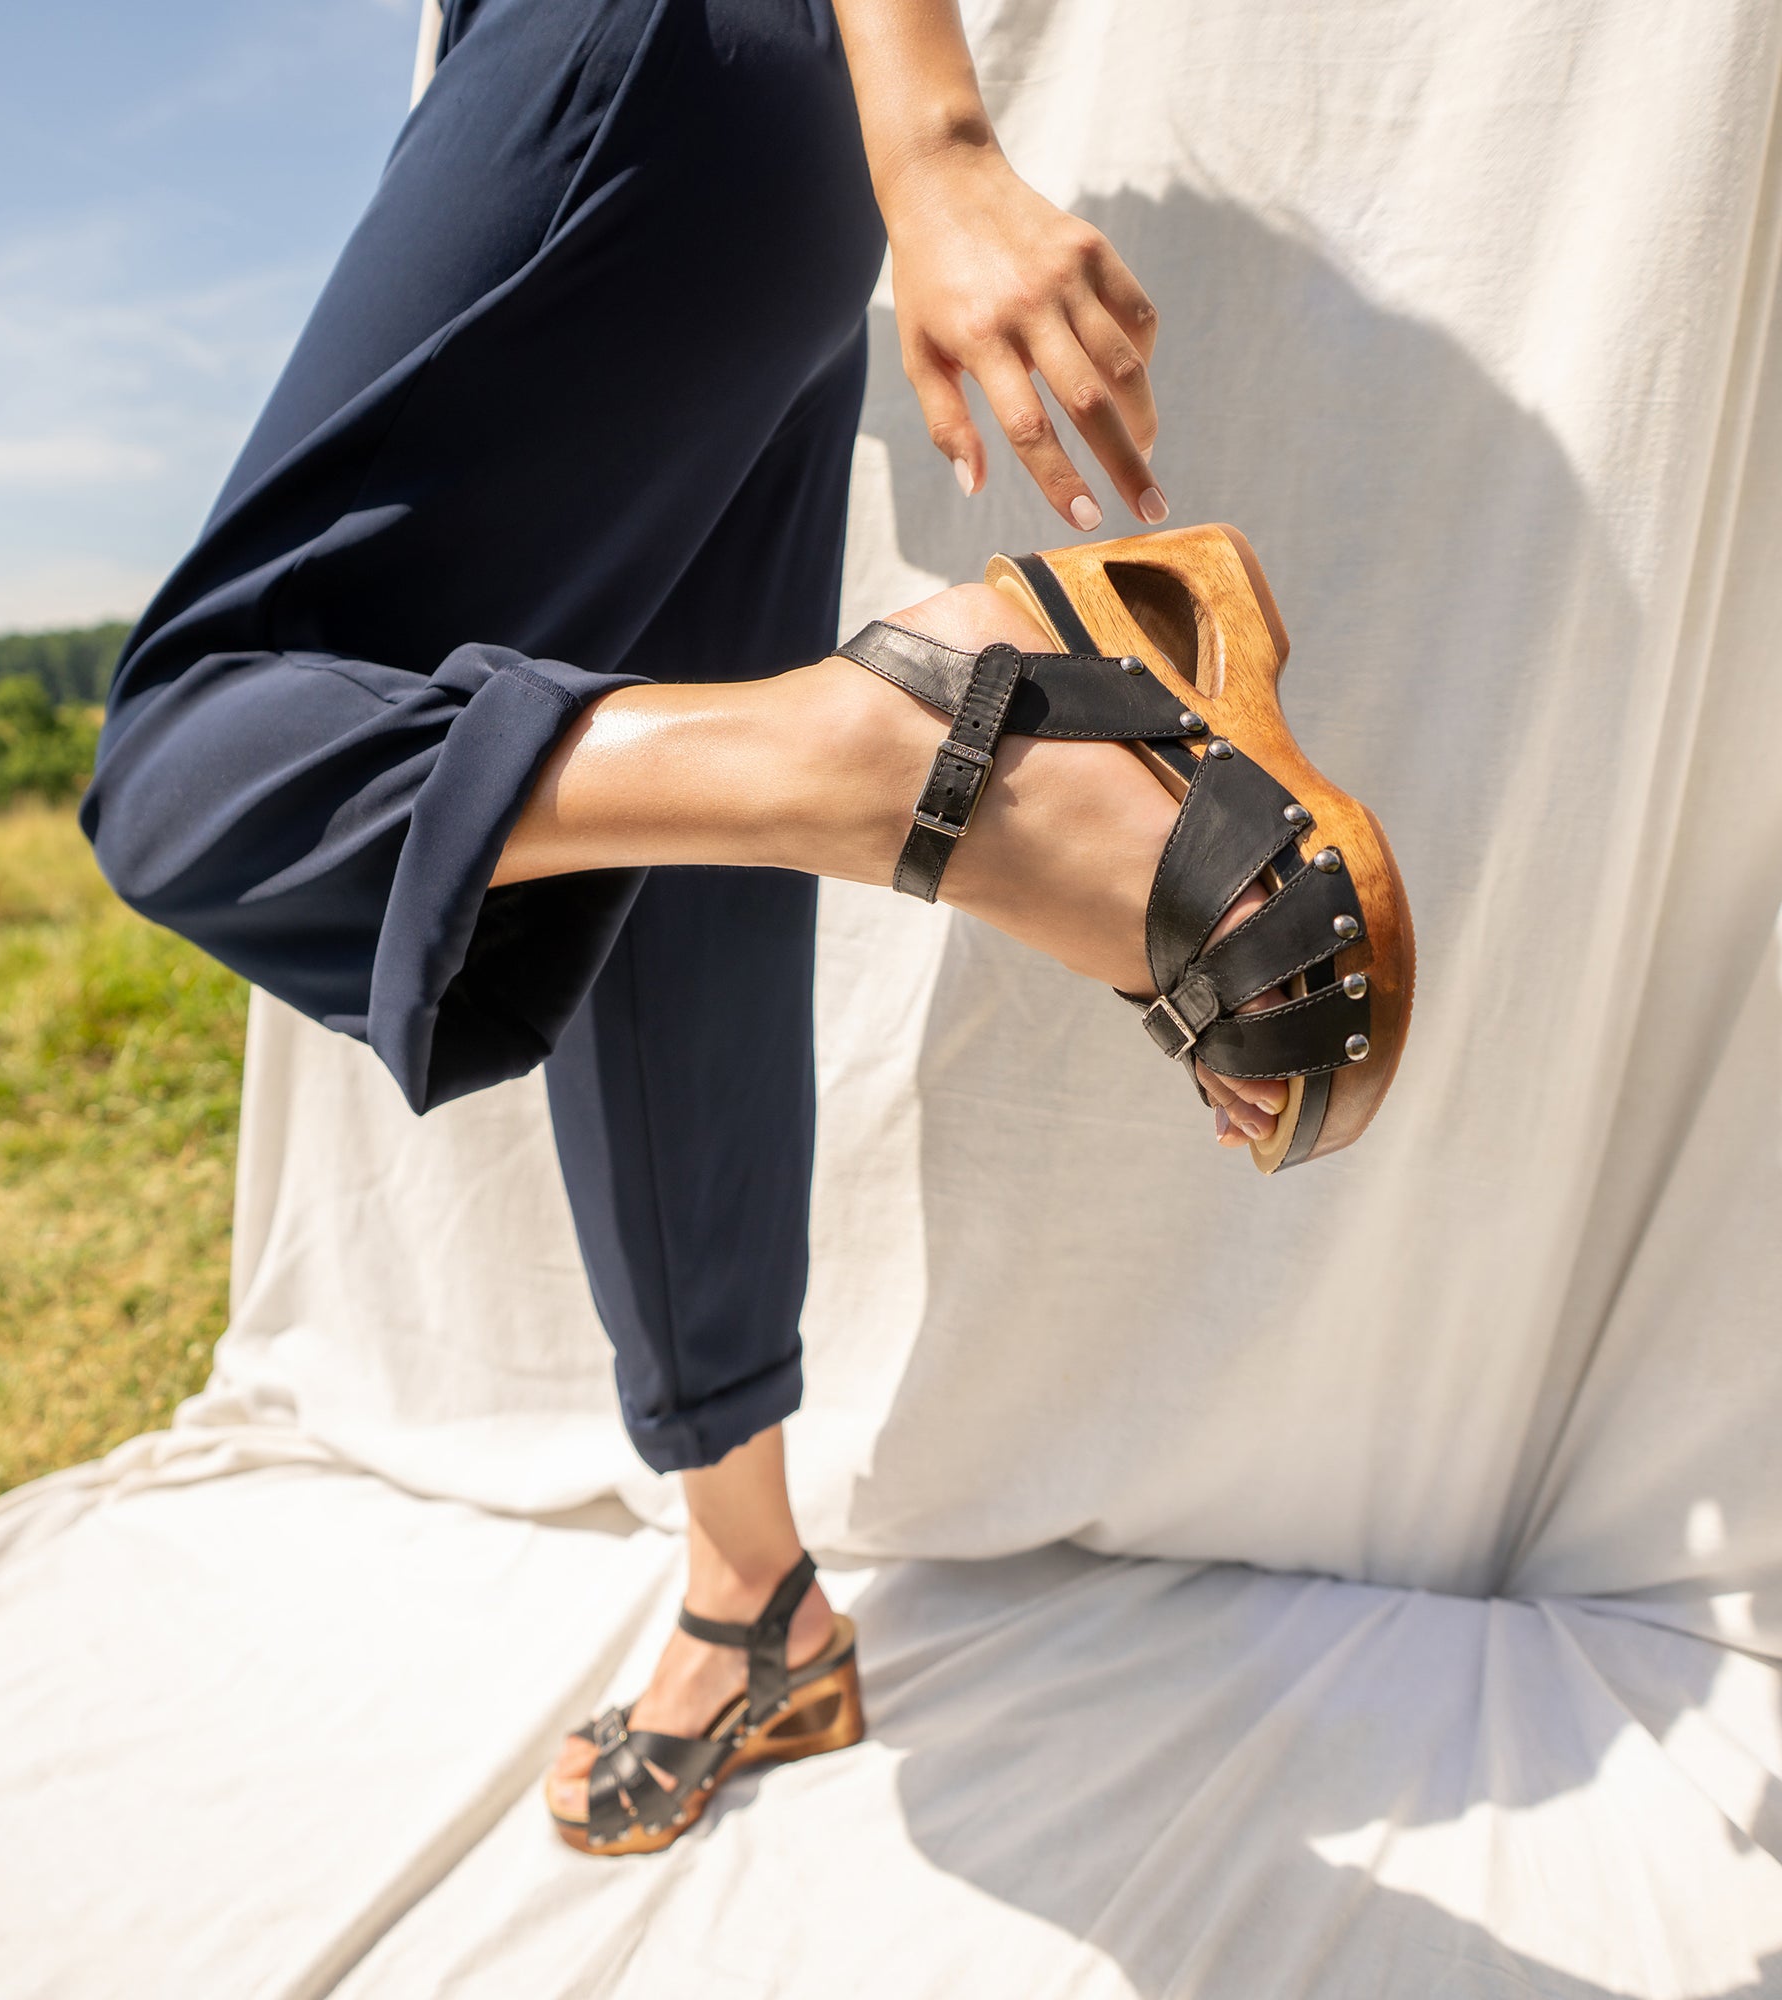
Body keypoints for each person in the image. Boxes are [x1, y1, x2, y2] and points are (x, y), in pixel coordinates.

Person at [80, 0, 1288, 1848]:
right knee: (660, 857)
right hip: (755, 149)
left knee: (192, 756)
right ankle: (760, 1606)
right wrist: (892, 140)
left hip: (633, 65)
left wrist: (941, 138)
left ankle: (910, 762)